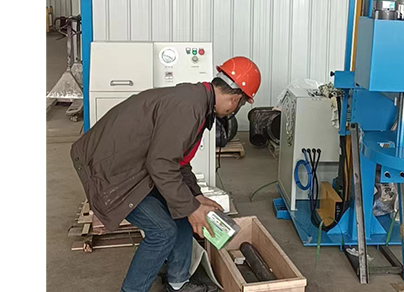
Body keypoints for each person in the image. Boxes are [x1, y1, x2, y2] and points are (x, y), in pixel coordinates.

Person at [70, 57, 261, 292]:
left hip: (134, 165)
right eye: (240, 104)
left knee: (183, 209)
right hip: (110, 170)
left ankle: (178, 283)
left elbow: (176, 161)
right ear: (236, 98)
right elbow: (161, 164)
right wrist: (191, 207)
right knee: (162, 231)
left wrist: (195, 197)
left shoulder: (198, 102)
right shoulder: (189, 108)